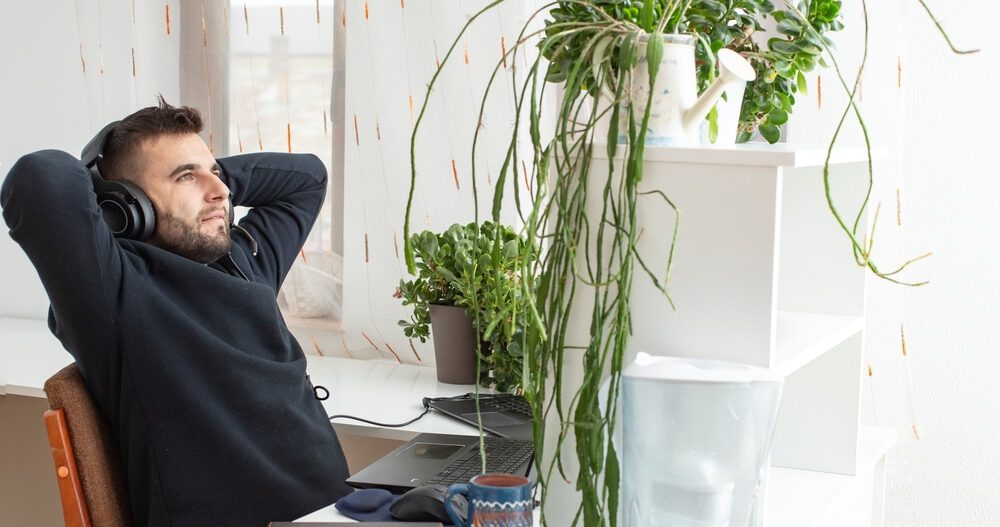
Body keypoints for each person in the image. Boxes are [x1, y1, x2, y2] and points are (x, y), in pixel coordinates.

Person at [1, 97, 354, 526]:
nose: (221, 192)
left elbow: (307, 178)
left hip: (345, 510)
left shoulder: (244, 260)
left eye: (217, 175)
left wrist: (203, 181)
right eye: (185, 177)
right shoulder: (113, 291)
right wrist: (111, 191)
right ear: (127, 207)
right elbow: (38, 178)